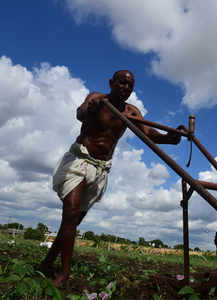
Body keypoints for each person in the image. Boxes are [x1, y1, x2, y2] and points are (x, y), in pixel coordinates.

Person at [39, 70, 181, 287]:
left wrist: (171, 138)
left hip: (101, 169)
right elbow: (80, 113)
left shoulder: (132, 112)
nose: (125, 87)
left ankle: (48, 262)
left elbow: (149, 134)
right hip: (80, 160)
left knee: (73, 221)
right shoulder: (98, 99)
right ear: (111, 83)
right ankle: (64, 273)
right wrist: (89, 109)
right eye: (122, 83)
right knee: (71, 212)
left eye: (129, 85)